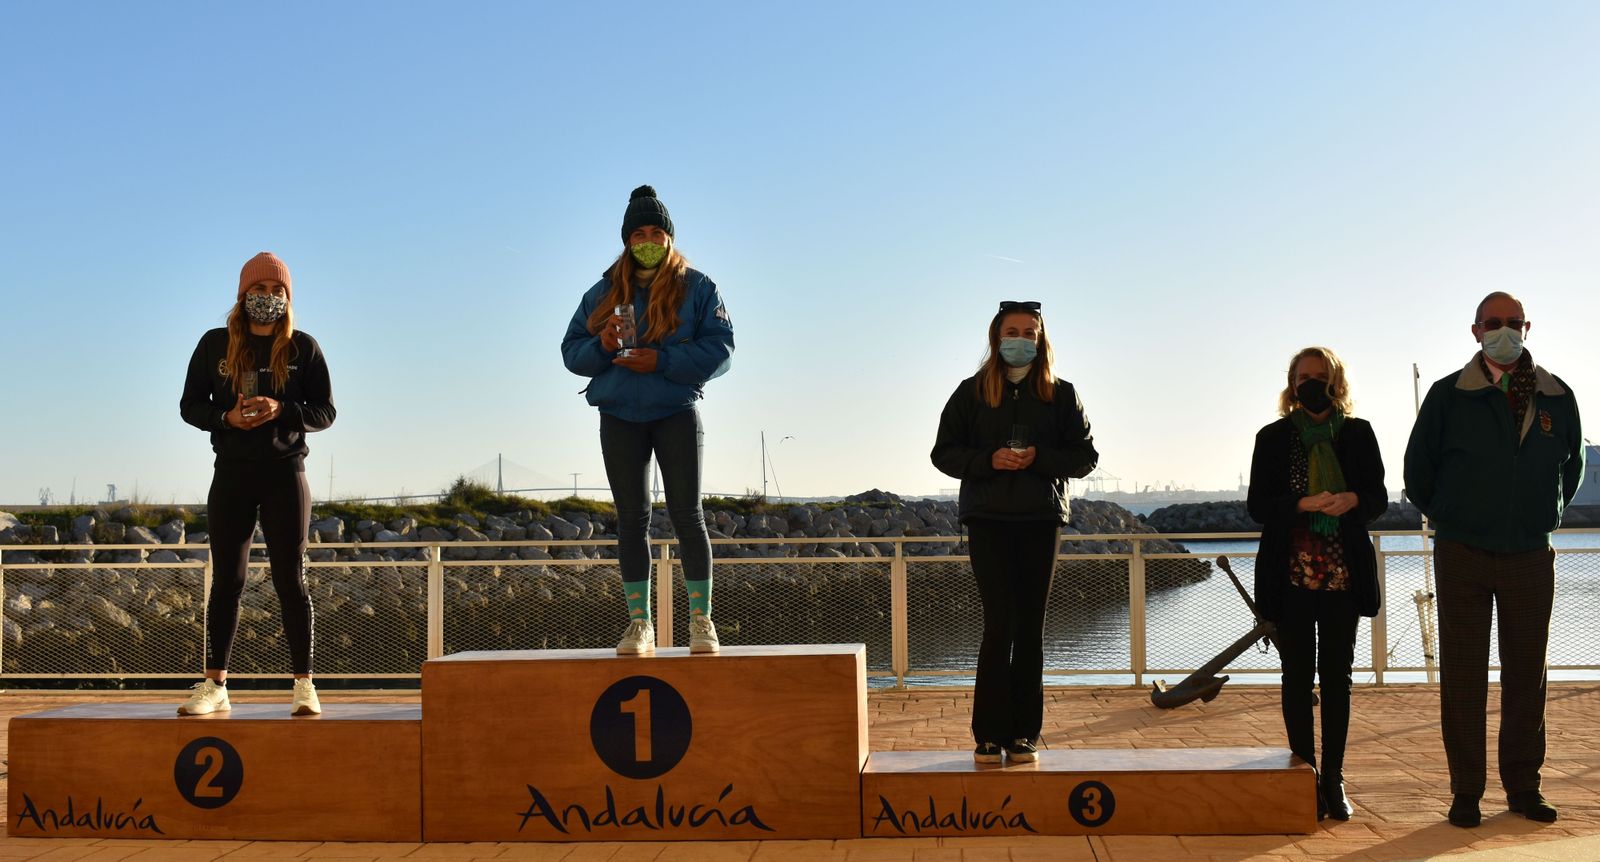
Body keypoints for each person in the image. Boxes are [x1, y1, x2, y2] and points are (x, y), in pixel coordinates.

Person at [1404, 291, 1584, 827]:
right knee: (1462, 677)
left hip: (1529, 553)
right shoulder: (1447, 396)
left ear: (1527, 327)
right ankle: (1466, 792)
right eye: (1493, 323)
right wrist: (1454, 517)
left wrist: (1536, 515)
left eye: (1512, 323)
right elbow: (1418, 472)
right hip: (1462, 553)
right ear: (1475, 330)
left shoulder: (1557, 397)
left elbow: (1569, 472)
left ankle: (1524, 788)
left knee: (1528, 674)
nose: (1503, 331)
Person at [562, 185, 734, 656]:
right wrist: (602, 345)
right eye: (639, 232)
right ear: (625, 239)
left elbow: (721, 351)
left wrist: (658, 361)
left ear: (670, 237)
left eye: (657, 232)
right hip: (619, 415)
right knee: (631, 522)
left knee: (688, 517)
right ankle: (640, 625)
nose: (648, 240)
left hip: (676, 412)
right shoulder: (601, 292)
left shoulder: (699, 287)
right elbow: (570, 352)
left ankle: (702, 622)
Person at [931, 300, 1097, 763]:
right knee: (997, 626)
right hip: (987, 521)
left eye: (1029, 332)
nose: (1020, 340)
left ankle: (1023, 733)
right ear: (995, 337)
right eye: (1012, 331)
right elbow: (943, 453)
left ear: (1041, 340)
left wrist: (1038, 458)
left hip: (1040, 521)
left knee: (1030, 630)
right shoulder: (971, 392)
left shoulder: (1062, 394)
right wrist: (988, 461)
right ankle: (987, 733)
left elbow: (1085, 457)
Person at [178, 251, 336, 716]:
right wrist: (223, 417)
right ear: (243, 294)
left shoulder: (303, 347)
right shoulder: (213, 344)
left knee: (292, 579)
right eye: (259, 290)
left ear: (288, 297)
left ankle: (304, 684)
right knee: (228, 579)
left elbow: (325, 412)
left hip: (286, 474)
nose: (268, 298)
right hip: (231, 474)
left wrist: (282, 410)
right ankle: (215, 685)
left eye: (276, 291)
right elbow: (189, 405)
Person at [1247, 346, 1387, 821]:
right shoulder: (1273, 437)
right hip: (1290, 576)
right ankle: (1303, 774)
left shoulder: (1358, 433)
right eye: (1303, 376)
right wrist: (1301, 505)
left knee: (1337, 679)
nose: (1311, 384)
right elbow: (1258, 506)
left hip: (1342, 574)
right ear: (1291, 383)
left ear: (1336, 382)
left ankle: (1334, 778)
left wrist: (1351, 499)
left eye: (1320, 376)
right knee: (1295, 678)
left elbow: (1378, 498)